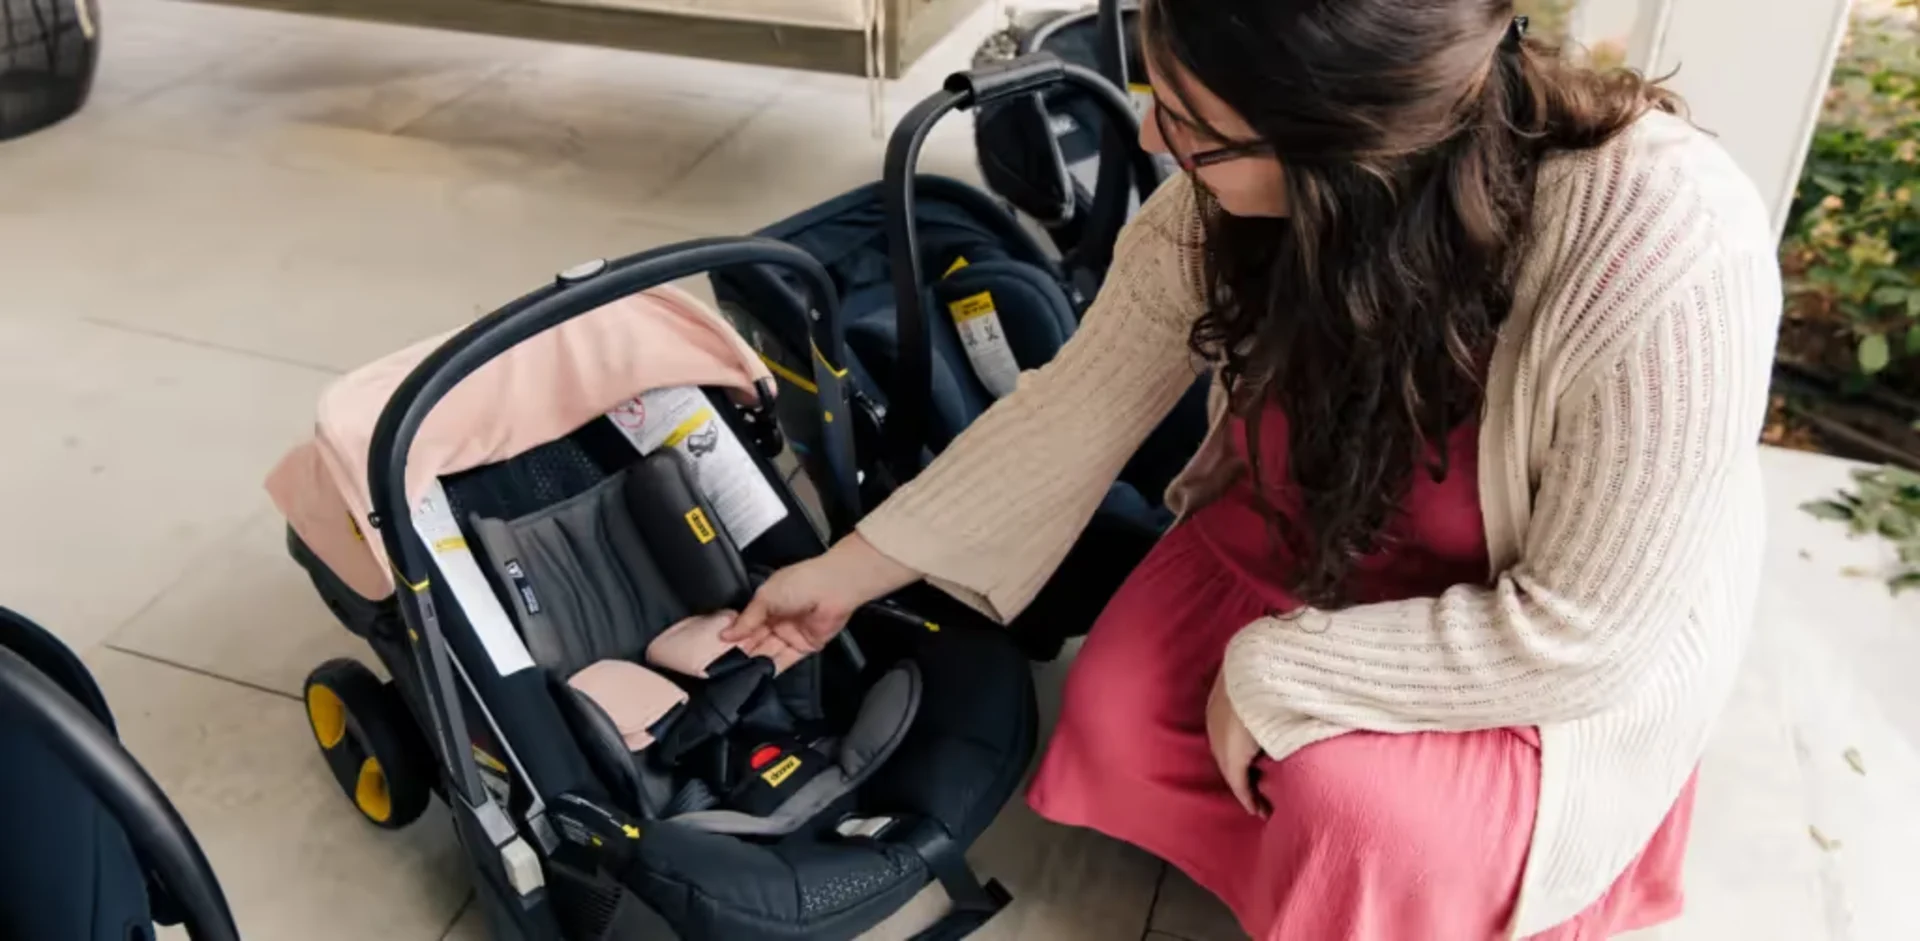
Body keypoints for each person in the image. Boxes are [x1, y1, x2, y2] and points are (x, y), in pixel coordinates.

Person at [724, 0, 1782, 937]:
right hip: (1318, 529)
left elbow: (1587, 630)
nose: (1150, 137)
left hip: (1537, 637)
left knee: (1353, 809)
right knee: (1119, 696)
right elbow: (1072, 407)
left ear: (1342, 141)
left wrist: (1278, 670)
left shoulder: (1667, 241)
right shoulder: (1231, 202)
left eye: (1189, 123)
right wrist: (846, 571)